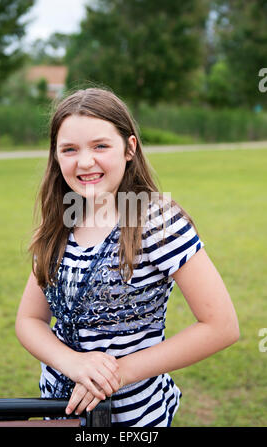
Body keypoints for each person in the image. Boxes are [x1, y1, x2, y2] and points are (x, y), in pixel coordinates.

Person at [15, 86, 240, 427]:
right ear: (56, 156)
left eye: (100, 146)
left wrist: (118, 374)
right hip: (61, 412)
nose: (85, 161)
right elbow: (29, 321)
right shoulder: (58, 223)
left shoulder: (157, 221)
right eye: (69, 149)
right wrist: (73, 363)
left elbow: (221, 326)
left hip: (137, 418)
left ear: (129, 148)